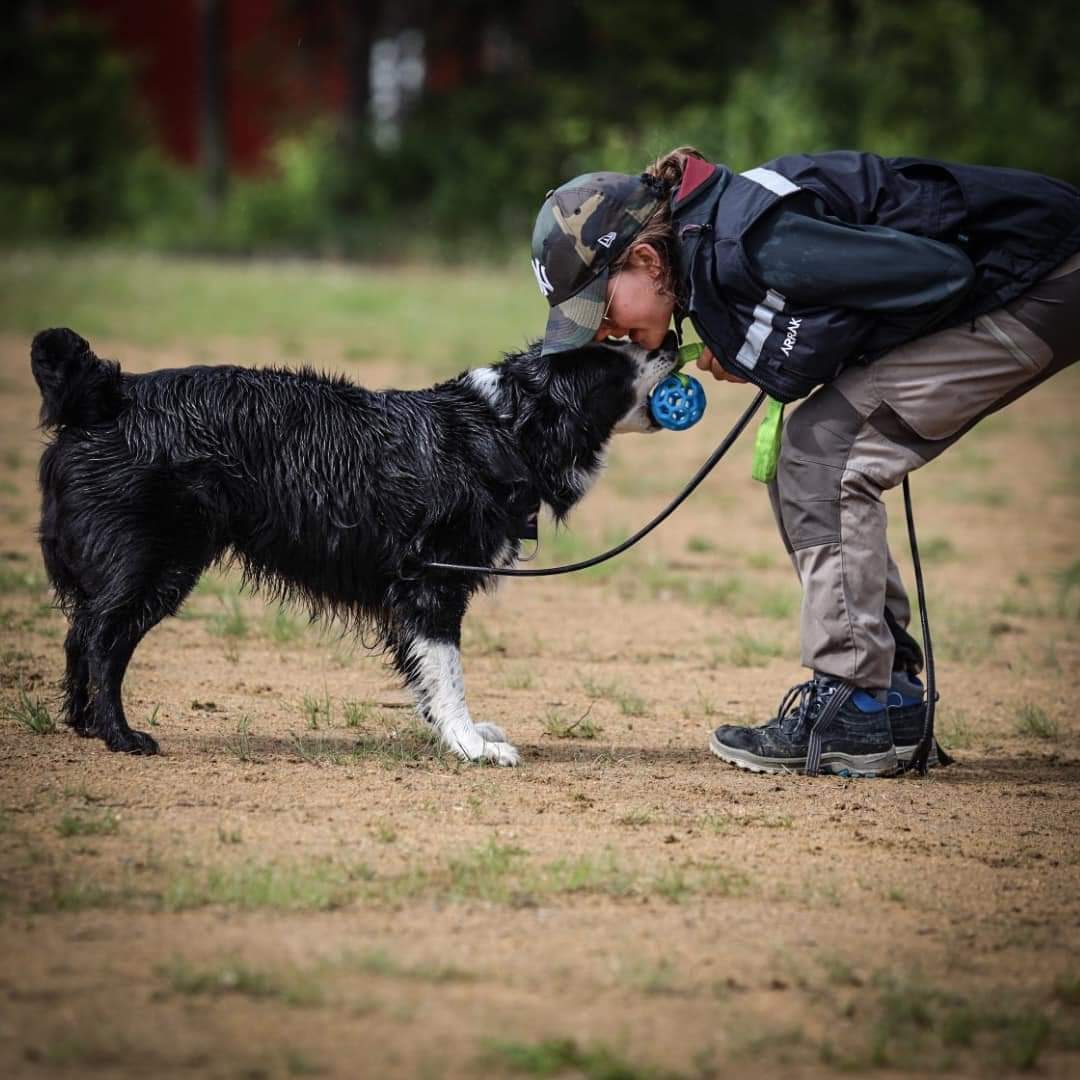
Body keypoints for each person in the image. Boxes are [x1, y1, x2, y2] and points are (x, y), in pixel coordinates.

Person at [530, 147, 1080, 778]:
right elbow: (831, 306)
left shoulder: (752, 239)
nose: (604, 333)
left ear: (648, 260)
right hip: (1034, 272)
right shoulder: (710, 245)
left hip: (1042, 276)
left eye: (601, 309)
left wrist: (760, 349)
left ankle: (857, 701)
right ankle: (890, 694)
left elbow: (937, 274)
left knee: (826, 451)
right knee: (812, 446)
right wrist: (756, 345)